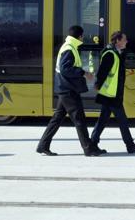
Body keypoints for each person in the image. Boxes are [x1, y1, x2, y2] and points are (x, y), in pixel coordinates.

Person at [37, 25, 103, 157]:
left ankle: (43, 145)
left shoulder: (69, 46)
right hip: (68, 89)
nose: (83, 38)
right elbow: (65, 69)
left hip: (65, 88)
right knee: (79, 119)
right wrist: (83, 72)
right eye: (82, 36)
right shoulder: (69, 48)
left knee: (57, 118)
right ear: (79, 36)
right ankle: (88, 148)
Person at [91, 31, 135, 154]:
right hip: (111, 94)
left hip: (112, 93)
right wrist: (97, 84)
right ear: (118, 41)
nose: (127, 41)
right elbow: (102, 71)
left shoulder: (117, 53)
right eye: (124, 39)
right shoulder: (110, 54)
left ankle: (92, 143)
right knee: (122, 120)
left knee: (103, 120)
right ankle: (130, 145)